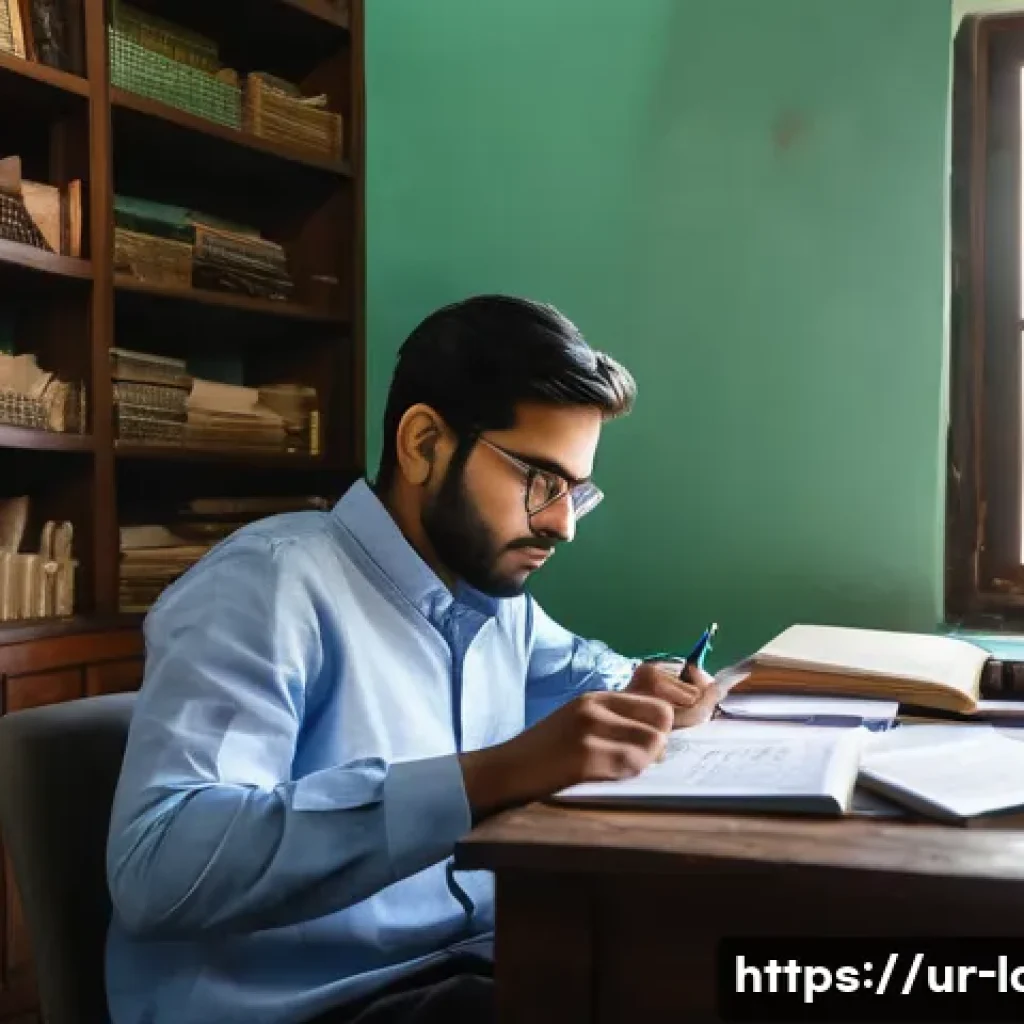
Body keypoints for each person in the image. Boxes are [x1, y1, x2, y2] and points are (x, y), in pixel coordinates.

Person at [104, 295, 721, 1024]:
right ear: (423, 443)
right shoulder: (266, 585)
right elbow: (157, 870)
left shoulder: (493, 601)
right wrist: (495, 775)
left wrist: (651, 684)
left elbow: (591, 672)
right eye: (541, 481)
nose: (561, 524)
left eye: (574, 492)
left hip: (470, 968)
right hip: (307, 1003)